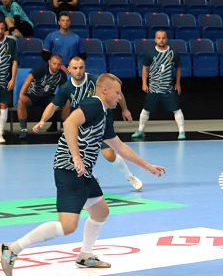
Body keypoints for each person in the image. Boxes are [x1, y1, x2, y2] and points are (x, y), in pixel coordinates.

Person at [1, 73, 166, 276]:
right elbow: (70, 123)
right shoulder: (94, 104)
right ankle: (11, 249)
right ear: (104, 90)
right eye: (117, 93)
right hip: (69, 169)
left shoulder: (104, 114)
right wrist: (76, 157)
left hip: (83, 172)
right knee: (67, 225)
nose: (119, 97)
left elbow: (118, 146)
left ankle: (85, 256)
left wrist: (146, 166)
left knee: (101, 212)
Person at [34, 56, 144, 191]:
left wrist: (125, 109)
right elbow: (53, 105)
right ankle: (91, 177)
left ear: (84, 68)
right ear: (69, 70)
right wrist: (42, 120)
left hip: (102, 123)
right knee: (77, 155)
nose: (78, 71)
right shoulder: (66, 88)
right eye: (75, 68)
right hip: (84, 127)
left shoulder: (96, 80)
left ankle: (130, 177)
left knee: (109, 154)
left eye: (81, 67)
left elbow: (116, 91)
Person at [131, 30, 186, 140]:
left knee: (176, 109)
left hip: (168, 88)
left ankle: (182, 131)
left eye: (163, 38)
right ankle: (140, 130)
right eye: (159, 38)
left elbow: (178, 67)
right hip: (154, 88)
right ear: (155, 39)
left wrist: (178, 83)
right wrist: (144, 83)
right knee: (146, 109)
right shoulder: (150, 52)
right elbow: (145, 68)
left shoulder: (173, 53)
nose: (161, 40)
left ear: (167, 39)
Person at [16, 54, 67, 141]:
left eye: (59, 64)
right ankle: (23, 129)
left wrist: (60, 101)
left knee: (66, 101)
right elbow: (28, 79)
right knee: (21, 101)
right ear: (49, 62)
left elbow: (64, 91)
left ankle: (64, 129)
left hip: (48, 98)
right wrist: (22, 94)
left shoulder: (61, 75)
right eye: (54, 63)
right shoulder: (41, 68)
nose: (56, 66)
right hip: (32, 96)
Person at [0, 20, 17, 144]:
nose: (0, 31)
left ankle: (0, 133)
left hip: (5, 80)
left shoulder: (11, 43)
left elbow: (14, 62)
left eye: (2, 29)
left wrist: (13, 79)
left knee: (3, 105)